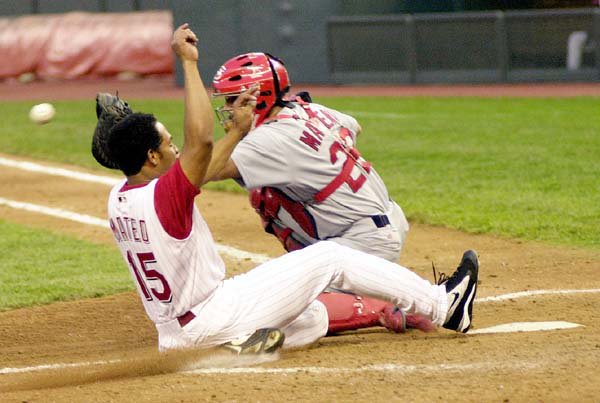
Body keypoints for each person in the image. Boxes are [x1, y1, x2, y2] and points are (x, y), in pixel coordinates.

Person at [101, 24, 479, 354]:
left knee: (311, 318)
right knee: (329, 257)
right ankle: (442, 305)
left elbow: (173, 159)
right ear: (150, 158)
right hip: (212, 316)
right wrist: (190, 66)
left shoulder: (117, 198)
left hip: (174, 333)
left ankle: (235, 348)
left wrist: (121, 136)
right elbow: (200, 146)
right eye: (167, 145)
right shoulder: (170, 194)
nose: (177, 149)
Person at [208, 52, 432, 334]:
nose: (228, 108)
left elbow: (202, 172)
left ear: (259, 96)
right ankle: (370, 288)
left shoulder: (268, 140)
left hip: (362, 241)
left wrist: (234, 134)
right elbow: (353, 125)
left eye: (233, 99)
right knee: (273, 191)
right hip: (381, 224)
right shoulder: (309, 111)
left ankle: (381, 305)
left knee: (269, 311)